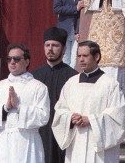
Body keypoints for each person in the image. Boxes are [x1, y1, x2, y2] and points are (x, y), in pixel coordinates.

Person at [52, 41, 125, 163]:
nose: (81, 59)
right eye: (79, 56)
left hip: (99, 147)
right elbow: (60, 109)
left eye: (85, 56)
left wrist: (91, 120)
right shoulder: (71, 83)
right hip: (76, 143)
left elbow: (117, 116)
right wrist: (70, 118)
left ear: (96, 57)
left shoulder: (110, 84)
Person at [0, 44, 50, 162]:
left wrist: (19, 107)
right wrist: (5, 108)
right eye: (9, 59)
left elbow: (44, 117)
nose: (12, 62)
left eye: (17, 59)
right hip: (2, 143)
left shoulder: (39, 87)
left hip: (27, 142)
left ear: (27, 61)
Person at [31, 27, 78, 163]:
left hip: (64, 132)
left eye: (55, 45)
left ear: (64, 49)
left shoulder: (73, 77)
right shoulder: (34, 76)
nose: (50, 49)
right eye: (47, 45)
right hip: (40, 132)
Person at [52, 0, 84, 68]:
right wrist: (75, 8)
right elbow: (56, 8)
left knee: (75, 61)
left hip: (78, 31)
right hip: (64, 30)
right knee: (65, 59)